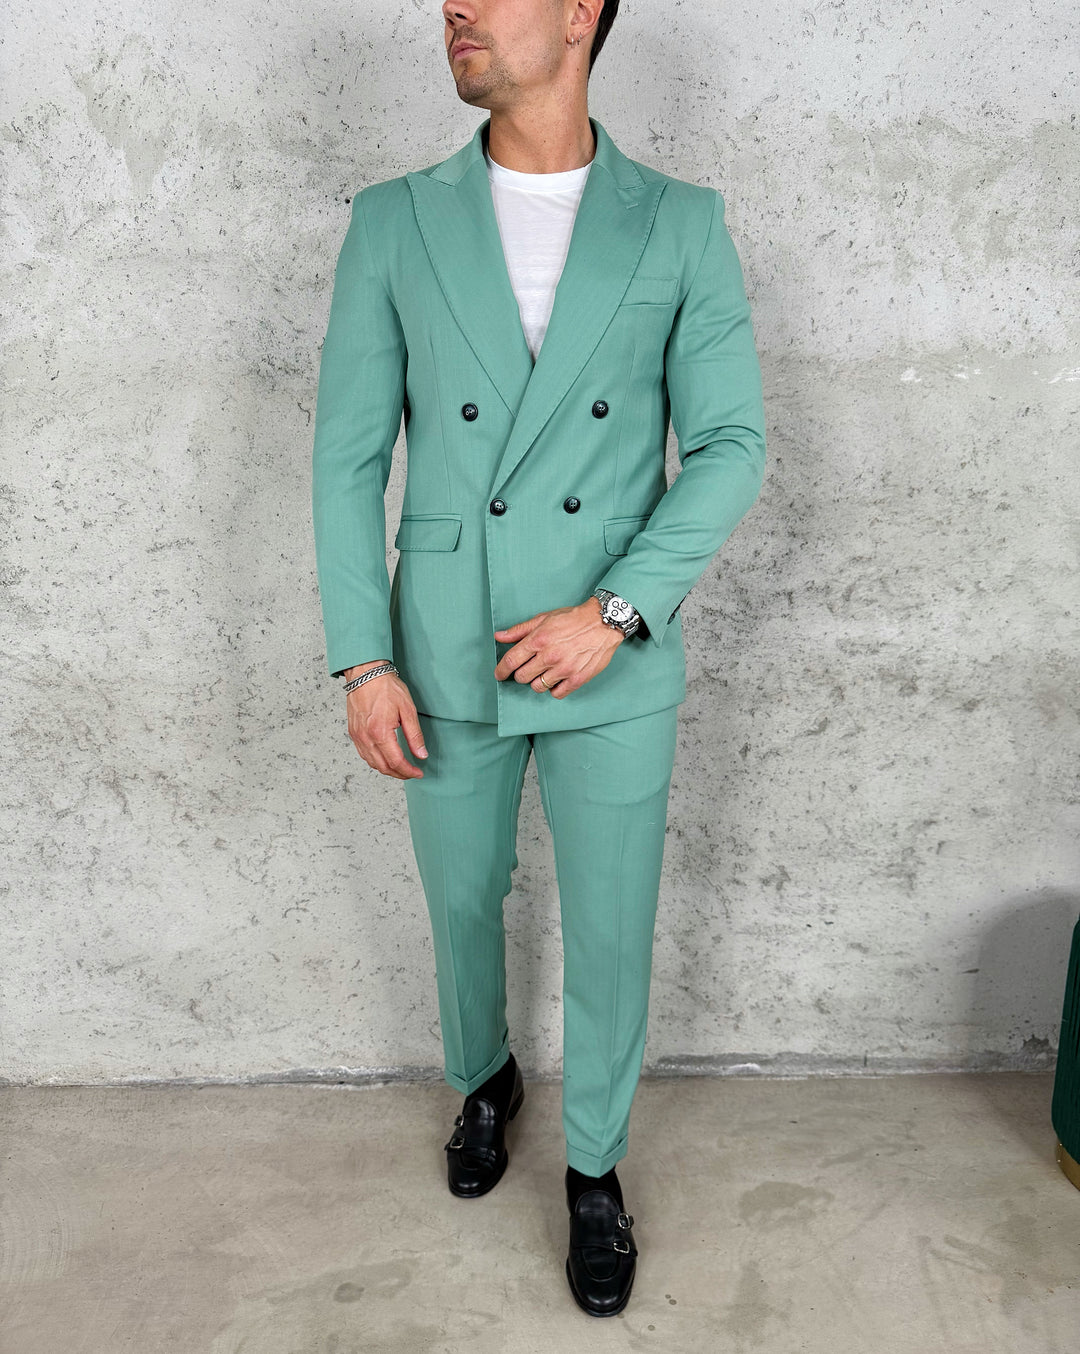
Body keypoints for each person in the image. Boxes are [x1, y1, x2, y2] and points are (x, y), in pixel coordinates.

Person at [311, 0, 767, 1317]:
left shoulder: (680, 223)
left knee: (611, 920)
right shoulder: (393, 222)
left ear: (580, 13)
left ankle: (595, 1167)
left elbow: (730, 444)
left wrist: (614, 610)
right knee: (462, 898)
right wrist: (362, 659)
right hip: (445, 642)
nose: (454, 7)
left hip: (605, 649)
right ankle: (484, 1077)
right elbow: (348, 460)